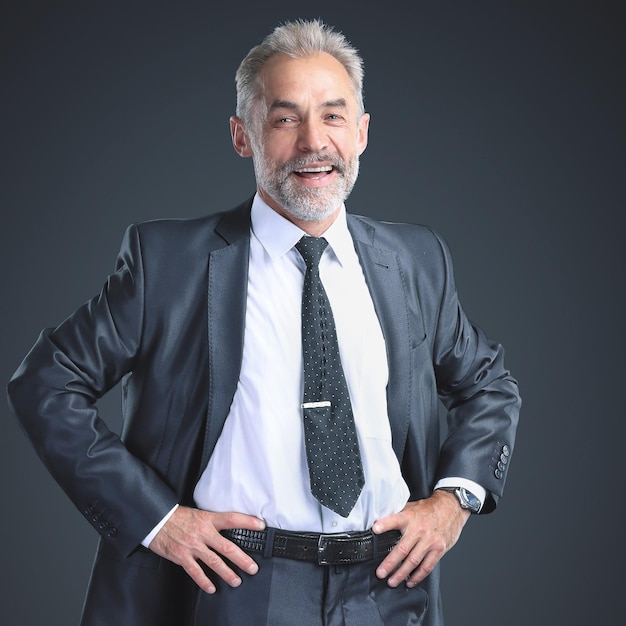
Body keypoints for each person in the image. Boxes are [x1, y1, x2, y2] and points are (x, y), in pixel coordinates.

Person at [7, 18, 521, 626]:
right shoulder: (169, 262)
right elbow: (45, 381)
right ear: (242, 136)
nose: (313, 142)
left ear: (360, 133)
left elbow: (488, 383)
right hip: (237, 586)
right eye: (284, 118)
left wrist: (453, 501)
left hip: (389, 588)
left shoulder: (415, 259)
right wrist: (159, 520)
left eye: (333, 116)